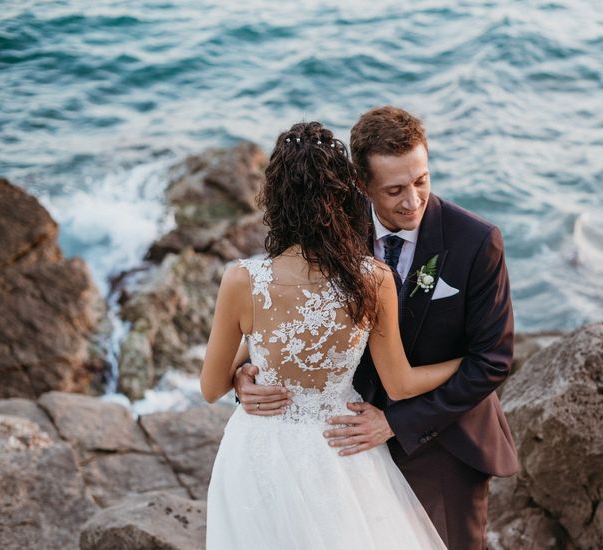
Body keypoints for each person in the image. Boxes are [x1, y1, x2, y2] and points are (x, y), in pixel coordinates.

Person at [234, 106, 519, 549]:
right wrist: (246, 374)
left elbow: (493, 360)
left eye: (421, 181)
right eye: (395, 190)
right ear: (363, 185)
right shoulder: (332, 235)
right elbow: (290, 309)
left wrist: (396, 423)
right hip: (349, 447)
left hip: (444, 439)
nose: (413, 200)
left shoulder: (477, 242)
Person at [200, 121, 454, 549]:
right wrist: (463, 363)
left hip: (258, 454)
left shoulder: (242, 280)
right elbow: (400, 383)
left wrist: (246, 367)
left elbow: (210, 387)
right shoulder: (373, 279)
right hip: (340, 448)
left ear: (275, 200)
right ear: (344, 198)